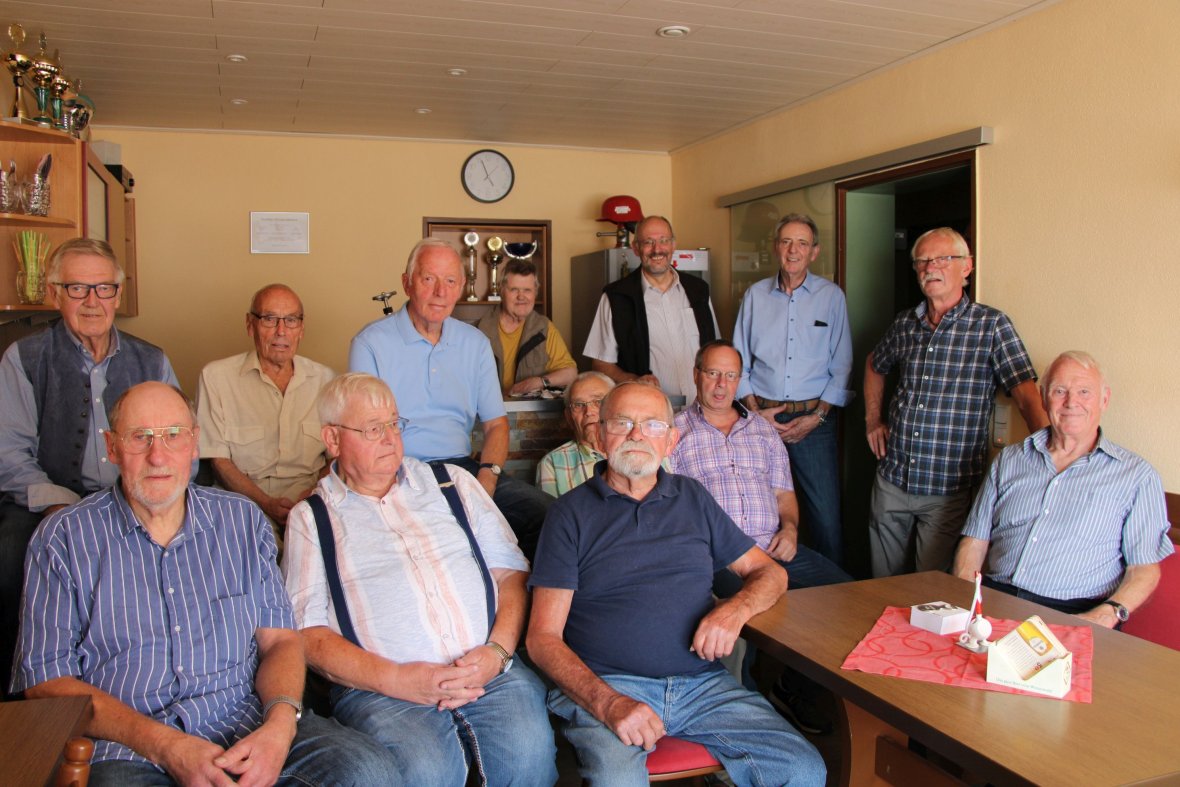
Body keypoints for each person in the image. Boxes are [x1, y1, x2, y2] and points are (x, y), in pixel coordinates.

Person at [11, 381, 398, 786]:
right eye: (140, 437)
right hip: (130, 748)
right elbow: (46, 682)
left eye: (174, 436)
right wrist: (166, 745)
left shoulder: (241, 522)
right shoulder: (62, 538)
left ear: (194, 444)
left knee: (371, 772)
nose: (158, 456)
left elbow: (281, 641)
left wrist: (279, 728)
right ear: (112, 447)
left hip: (244, 724)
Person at [527, 382, 826, 786]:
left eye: (651, 425)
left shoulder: (693, 497)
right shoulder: (568, 515)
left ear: (671, 441)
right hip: (610, 685)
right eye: (622, 422)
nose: (636, 434)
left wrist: (734, 610)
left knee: (803, 769)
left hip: (703, 686)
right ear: (599, 436)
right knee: (617, 781)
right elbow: (542, 639)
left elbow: (771, 572)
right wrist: (608, 702)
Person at [282, 373, 556, 785]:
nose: (390, 439)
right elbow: (307, 633)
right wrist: (399, 679)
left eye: (395, 424)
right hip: (384, 690)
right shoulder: (313, 517)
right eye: (373, 429)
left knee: (527, 758)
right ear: (333, 439)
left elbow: (512, 574)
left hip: (490, 672)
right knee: (426, 772)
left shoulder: (452, 483)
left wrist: (497, 652)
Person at [0, 237, 178, 698]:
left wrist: (148, 498)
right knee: (9, 555)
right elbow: (10, 454)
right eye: (77, 289)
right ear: (56, 293)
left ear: (119, 295)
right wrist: (57, 505)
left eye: (102, 289)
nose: (92, 301)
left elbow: (179, 444)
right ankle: (25, 697)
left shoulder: (152, 359)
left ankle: (149, 679)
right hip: (50, 498)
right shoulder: (23, 358)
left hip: (134, 498)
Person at [671, 340, 850, 734]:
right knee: (747, 616)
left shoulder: (763, 433)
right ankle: (750, 718)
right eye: (713, 373)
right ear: (697, 375)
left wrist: (790, 529)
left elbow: (785, 495)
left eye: (730, 376)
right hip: (717, 554)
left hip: (772, 545)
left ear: (739, 381)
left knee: (847, 598)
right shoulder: (675, 433)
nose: (721, 384)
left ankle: (794, 689)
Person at [349, 238, 552, 560]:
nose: (440, 292)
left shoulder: (474, 343)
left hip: (463, 468)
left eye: (451, 281)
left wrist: (486, 480)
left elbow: (497, 425)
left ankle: (524, 604)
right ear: (407, 283)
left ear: (460, 288)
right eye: (428, 279)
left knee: (546, 516)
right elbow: (363, 432)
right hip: (396, 469)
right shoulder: (371, 343)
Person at [864, 227, 1048, 577]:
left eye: (942, 259)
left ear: (967, 267)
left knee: (933, 593)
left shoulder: (991, 325)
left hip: (947, 490)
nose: (930, 267)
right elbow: (875, 363)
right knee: (879, 584)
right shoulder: (906, 323)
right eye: (922, 261)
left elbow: (1026, 396)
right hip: (892, 477)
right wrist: (873, 420)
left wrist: (1052, 460)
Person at [953, 351, 1173, 625]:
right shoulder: (1010, 459)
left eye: (1084, 392)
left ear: (1105, 399)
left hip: (1074, 614)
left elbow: (1144, 569)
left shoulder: (1137, 476)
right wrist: (965, 599)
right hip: (996, 602)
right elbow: (974, 541)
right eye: (1060, 391)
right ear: (1044, 398)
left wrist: (1106, 615)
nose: (1071, 402)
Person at [733, 213, 853, 566]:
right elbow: (739, 360)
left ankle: (834, 597)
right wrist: (755, 412)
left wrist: (817, 417)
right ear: (775, 248)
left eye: (802, 243)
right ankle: (777, 588)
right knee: (763, 512)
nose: (793, 250)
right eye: (786, 241)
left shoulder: (831, 297)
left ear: (814, 252)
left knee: (824, 516)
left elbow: (842, 364)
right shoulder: (755, 296)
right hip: (761, 417)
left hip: (814, 421)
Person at [197, 284, 334, 539]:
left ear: (301, 329)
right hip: (243, 505)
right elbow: (218, 461)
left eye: (291, 320)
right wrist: (266, 503)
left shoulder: (326, 380)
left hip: (313, 501)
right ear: (250, 324)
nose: (281, 331)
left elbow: (335, 458)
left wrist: (309, 499)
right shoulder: (216, 378)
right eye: (270, 319)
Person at [583, 215, 719, 404]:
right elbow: (600, 363)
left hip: (702, 410)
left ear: (673, 245)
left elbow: (716, 352)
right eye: (648, 242)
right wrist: (633, 380)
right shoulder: (616, 297)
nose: (657, 250)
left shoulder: (699, 291)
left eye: (663, 241)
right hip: (648, 412)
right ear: (636, 248)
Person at [476, 258, 577, 396]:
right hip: (486, 413)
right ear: (501, 291)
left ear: (535, 292)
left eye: (527, 290)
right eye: (514, 290)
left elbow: (570, 373)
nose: (521, 296)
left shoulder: (544, 328)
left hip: (529, 414)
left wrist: (540, 382)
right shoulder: (477, 331)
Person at [535, 371, 614, 497]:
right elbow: (553, 516)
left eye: (598, 401)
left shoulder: (638, 450)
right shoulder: (552, 464)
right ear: (569, 417)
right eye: (578, 405)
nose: (588, 412)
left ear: (618, 408)